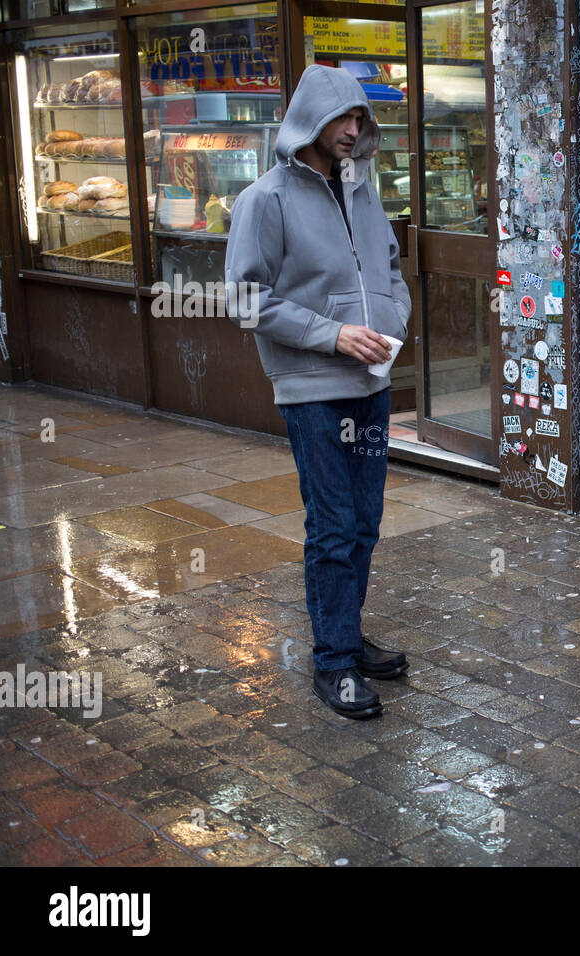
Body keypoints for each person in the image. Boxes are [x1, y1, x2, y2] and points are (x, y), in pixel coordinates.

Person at [225, 64, 410, 719]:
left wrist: (394, 320)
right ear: (310, 118)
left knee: (363, 524)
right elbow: (246, 300)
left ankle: (347, 636)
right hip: (313, 390)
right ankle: (333, 664)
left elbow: (388, 268)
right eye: (343, 118)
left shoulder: (363, 189)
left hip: (373, 381)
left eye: (361, 120)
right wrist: (333, 336)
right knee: (332, 527)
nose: (354, 131)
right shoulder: (265, 200)